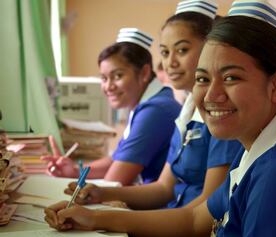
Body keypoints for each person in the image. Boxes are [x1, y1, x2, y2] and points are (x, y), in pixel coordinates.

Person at [44, 1, 276, 236]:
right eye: (203, 79)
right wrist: (96, 217)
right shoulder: (258, 145)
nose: (210, 97)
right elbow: (195, 219)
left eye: (232, 78)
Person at [45, 0, 241, 211]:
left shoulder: (159, 110)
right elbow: (163, 187)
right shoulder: (186, 112)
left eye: (182, 50)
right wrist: (93, 187)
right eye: (165, 53)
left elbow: (202, 215)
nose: (170, 63)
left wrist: (105, 212)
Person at [41, 28, 181, 186]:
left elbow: (112, 184)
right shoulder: (153, 102)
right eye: (103, 78)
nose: (108, 86)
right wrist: (73, 171)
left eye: (118, 76)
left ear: (144, 73)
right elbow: (118, 159)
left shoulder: (155, 111)